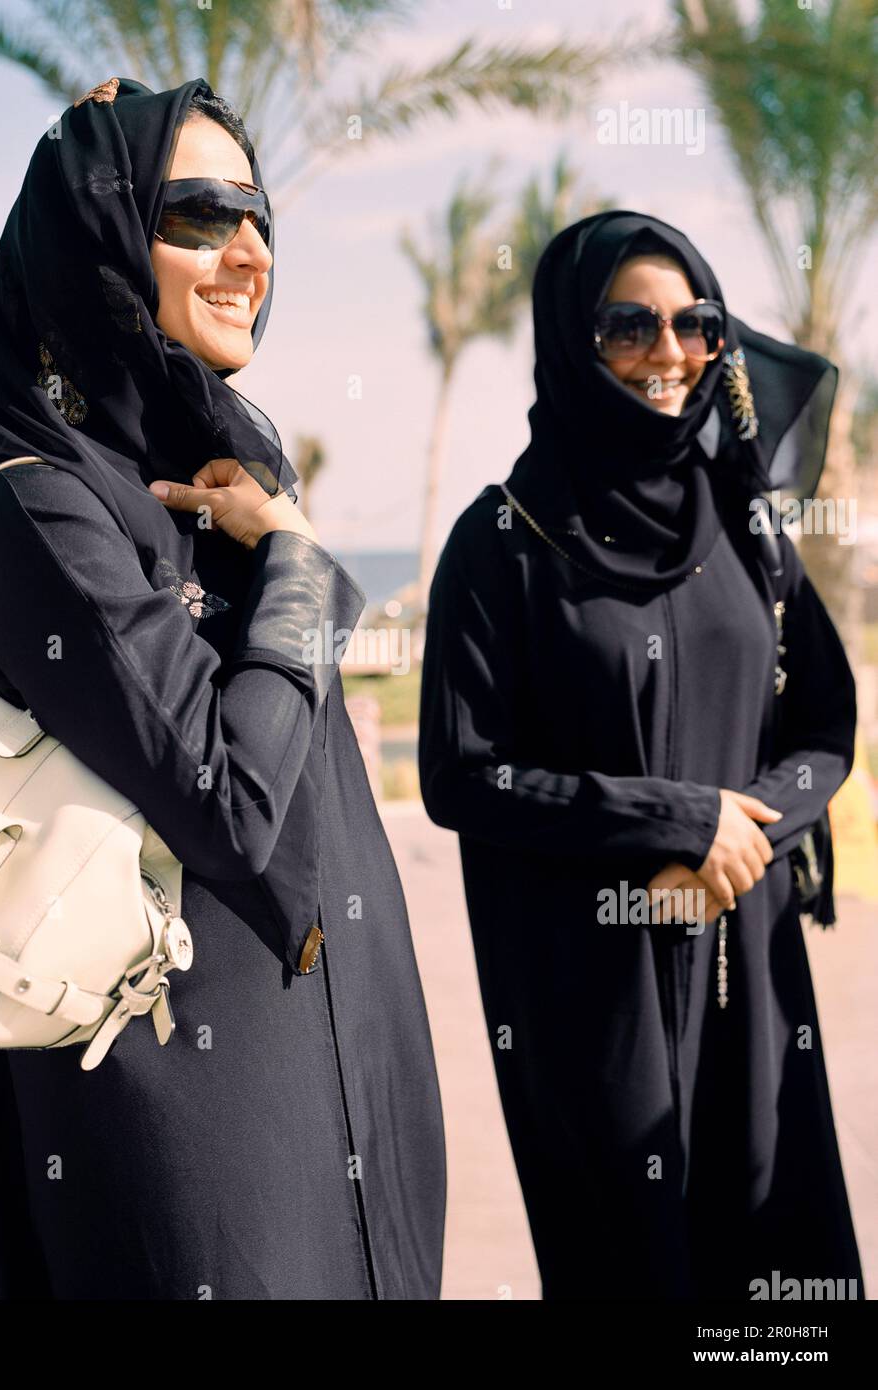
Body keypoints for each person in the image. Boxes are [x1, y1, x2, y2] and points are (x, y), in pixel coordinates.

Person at [0, 76, 446, 1300]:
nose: (251, 252)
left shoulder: (235, 485)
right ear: (99, 240)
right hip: (200, 1137)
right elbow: (229, 807)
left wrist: (278, 545)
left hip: (354, 1080)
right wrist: (301, 568)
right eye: (199, 213)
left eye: (258, 215)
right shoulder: (42, 512)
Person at [419, 210, 862, 1299]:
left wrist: (744, 834)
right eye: (630, 326)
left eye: (695, 324)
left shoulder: (744, 522)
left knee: (773, 1267)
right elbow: (460, 773)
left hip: (750, 958)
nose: (671, 352)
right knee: (632, 1262)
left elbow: (824, 727)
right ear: (574, 340)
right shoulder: (503, 542)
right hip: (592, 990)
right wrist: (676, 820)